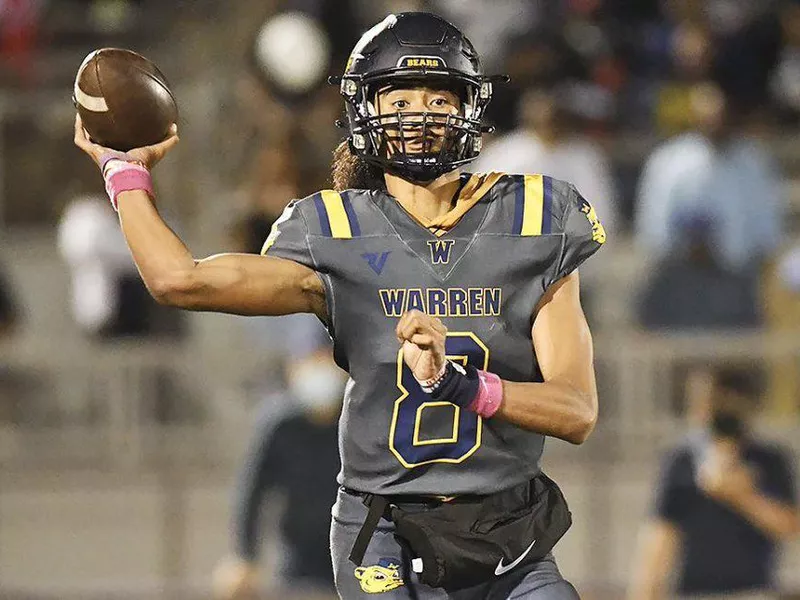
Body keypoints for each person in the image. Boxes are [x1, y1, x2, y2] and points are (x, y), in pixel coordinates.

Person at [74, 12, 605, 599]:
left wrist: (462, 385)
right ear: (364, 111)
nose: (421, 114)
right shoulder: (332, 228)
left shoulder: (534, 217)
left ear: (469, 108)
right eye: (399, 98)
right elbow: (179, 281)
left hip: (510, 533)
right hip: (386, 533)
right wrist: (124, 174)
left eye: (438, 96)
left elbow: (576, 411)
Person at [628, 366, 800, 600]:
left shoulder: (770, 459)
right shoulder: (682, 460)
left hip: (753, 592)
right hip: (695, 592)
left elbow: (789, 526)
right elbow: (660, 536)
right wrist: (646, 591)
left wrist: (742, 496)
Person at [214, 316, 345, 599]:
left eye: (328, 360)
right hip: (297, 559)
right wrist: (244, 555)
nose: (321, 368)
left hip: (355, 554)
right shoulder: (279, 424)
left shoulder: (359, 419)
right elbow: (251, 491)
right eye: (313, 360)